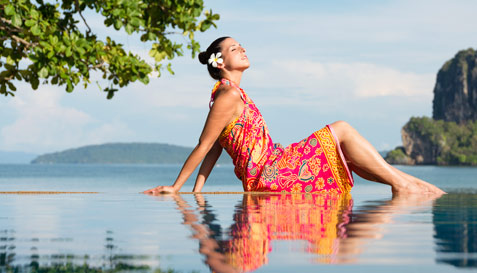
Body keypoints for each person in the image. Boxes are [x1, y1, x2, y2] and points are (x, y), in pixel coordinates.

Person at [144, 37, 445, 196]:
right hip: (267, 174)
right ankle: (405, 184)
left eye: (242, 46)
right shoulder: (228, 95)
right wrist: (178, 187)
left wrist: (198, 193)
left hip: (273, 165)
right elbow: (204, 145)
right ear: (220, 62)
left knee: (346, 152)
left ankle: (409, 183)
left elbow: (216, 147)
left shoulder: (228, 95)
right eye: (235, 48)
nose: (243, 50)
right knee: (341, 129)